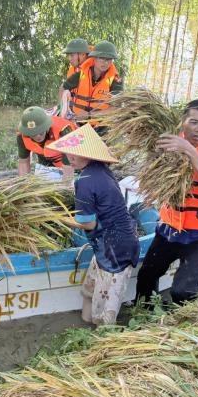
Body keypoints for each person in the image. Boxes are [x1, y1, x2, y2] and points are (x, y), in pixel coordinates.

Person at [135, 99, 198, 306]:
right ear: (182, 123)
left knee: (182, 292)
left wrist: (189, 150)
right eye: (194, 122)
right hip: (170, 227)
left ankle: (182, 324)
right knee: (146, 276)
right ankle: (144, 315)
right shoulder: (170, 141)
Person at [48, 123, 140, 326]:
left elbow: (88, 224)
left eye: (76, 153)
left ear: (89, 153)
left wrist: (57, 218)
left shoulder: (86, 180)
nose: (69, 157)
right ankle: (83, 328)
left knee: (105, 311)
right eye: (68, 153)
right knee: (89, 292)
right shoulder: (101, 170)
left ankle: (100, 344)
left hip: (115, 250)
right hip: (110, 244)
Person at [60, 41, 123, 134]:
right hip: (77, 125)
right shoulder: (80, 74)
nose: (106, 63)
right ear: (94, 58)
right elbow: (63, 88)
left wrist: (88, 115)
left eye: (109, 59)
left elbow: (116, 109)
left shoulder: (116, 82)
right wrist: (61, 110)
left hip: (101, 130)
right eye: (102, 59)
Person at [17, 107, 76, 181]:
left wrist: (65, 187)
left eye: (41, 132)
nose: (38, 136)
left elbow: (69, 166)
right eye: (33, 134)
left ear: (47, 127)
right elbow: (23, 163)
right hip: (46, 160)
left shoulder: (63, 132)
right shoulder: (22, 135)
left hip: (74, 163)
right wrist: (22, 184)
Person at [57, 38, 92, 103]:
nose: (69, 59)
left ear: (83, 55)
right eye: (69, 56)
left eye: (72, 55)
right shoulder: (79, 71)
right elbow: (63, 88)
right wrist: (59, 109)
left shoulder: (97, 68)